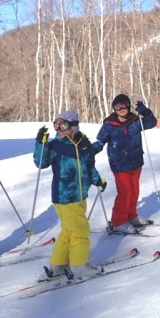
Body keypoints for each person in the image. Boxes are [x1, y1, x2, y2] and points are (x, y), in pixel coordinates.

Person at [34, 110, 107, 279]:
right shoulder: (55, 145)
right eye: (56, 125)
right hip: (64, 196)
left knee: (68, 231)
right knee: (80, 230)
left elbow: (89, 166)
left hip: (80, 195)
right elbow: (41, 162)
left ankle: (58, 265)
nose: (58, 129)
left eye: (62, 125)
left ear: (73, 126)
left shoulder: (84, 143)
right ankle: (80, 266)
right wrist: (40, 144)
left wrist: (97, 180)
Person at [93, 95, 157, 234]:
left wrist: (144, 111)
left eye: (124, 105)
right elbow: (100, 141)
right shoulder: (109, 124)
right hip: (119, 163)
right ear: (114, 108)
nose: (121, 109)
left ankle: (131, 215)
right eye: (118, 107)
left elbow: (152, 122)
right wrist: (90, 151)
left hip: (135, 161)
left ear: (128, 106)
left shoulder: (135, 121)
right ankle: (117, 222)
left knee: (134, 191)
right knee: (125, 192)